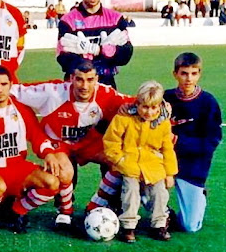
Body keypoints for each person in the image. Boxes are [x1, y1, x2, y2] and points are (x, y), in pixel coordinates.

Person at [7, 59, 134, 226]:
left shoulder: (106, 93)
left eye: (90, 80)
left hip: (90, 143)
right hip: (59, 144)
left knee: (120, 162)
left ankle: (96, 205)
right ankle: (65, 212)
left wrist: (162, 106)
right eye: (79, 79)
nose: (84, 86)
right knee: (65, 172)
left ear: (97, 80)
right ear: (71, 78)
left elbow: (138, 102)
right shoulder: (52, 92)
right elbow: (11, 91)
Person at [0, 66, 73, 234]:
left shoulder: (21, 109)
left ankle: (15, 212)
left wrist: (48, 153)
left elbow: (36, 134)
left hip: (18, 166)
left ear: (11, 85)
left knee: (52, 183)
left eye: (4, 84)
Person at [103, 80, 177, 243]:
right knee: (130, 191)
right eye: (144, 107)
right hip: (129, 164)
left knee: (160, 193)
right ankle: (129, 226)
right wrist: (120, 160)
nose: (149, 112)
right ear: (137, 103)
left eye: (153, 108)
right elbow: (110, 142)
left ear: (159, 106)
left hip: (153, 165)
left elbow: (167, 149)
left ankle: (159, 225)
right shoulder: (124, 118)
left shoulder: (163, 123)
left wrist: (170, 173)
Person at [164, 53, 222, 232]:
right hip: (163, 162)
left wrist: (179, 142)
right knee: (138, 180)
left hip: (192, 166)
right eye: (184, 73)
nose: (189, 78)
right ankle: (164, 213)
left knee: (190, 226)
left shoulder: (208, 103)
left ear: (199, 74)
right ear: (175, 74)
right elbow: (142, 107)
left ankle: (199, 196)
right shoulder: (165, 98)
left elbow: (211, 142)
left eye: (193, 73)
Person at [57, 0, 133, 89]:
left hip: (107, 85)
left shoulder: (116, 19)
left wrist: (103, 50)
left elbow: (126, 55)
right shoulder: (67, 21)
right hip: (78, 87)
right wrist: (89, 57)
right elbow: (64, 60)